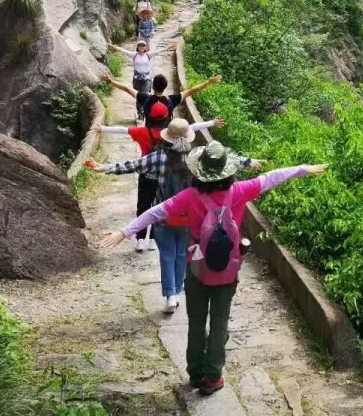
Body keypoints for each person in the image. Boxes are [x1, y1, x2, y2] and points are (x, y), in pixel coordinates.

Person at [101, 143, 328, 395]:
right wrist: (303, 168)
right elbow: (272, 177)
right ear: (227, 171)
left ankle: (195, 373)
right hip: (228, 270)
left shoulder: (189, 196)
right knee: (220, 323)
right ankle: (213, 377)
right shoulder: (240, 191)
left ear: (199, 172)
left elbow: (155, 212)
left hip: (196, 269)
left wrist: (124, 232)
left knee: (196, 323)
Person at [87, 118, 260, 313]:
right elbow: (223, 161)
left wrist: (104, 167)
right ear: (189, 137)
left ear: (167, 138)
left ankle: (171, 295)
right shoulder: (197, 161)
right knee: (182, 255)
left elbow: (133, 165)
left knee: (167, 255)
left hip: (164, 216)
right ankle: (178, 290)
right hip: (190, 218)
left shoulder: (158, 157)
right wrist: (249, 161)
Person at [103, 73, 222, 249]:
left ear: (153, 86)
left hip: (147, 168)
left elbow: (127, 89)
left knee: (143, 204)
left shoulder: (145, 103)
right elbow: (191, 93)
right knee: (159, 204)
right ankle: (153, 239)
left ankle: (140, 239)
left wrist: (110, 81)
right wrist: (208, 83)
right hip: (166, 169)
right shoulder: (171, 102)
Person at [109, 41, 164, 120]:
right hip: (137, 79)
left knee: (145, 95)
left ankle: (145, 111)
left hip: (146, 79)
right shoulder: (134, 55)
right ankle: (140, 111)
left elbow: (158, 51)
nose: (141, 47)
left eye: (143, 45)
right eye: (139, 45)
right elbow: (123, 51)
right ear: (137, 47)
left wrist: (168, 48)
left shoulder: (148, 55)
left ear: (145, 47)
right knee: (138, 96)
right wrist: (113, 46)